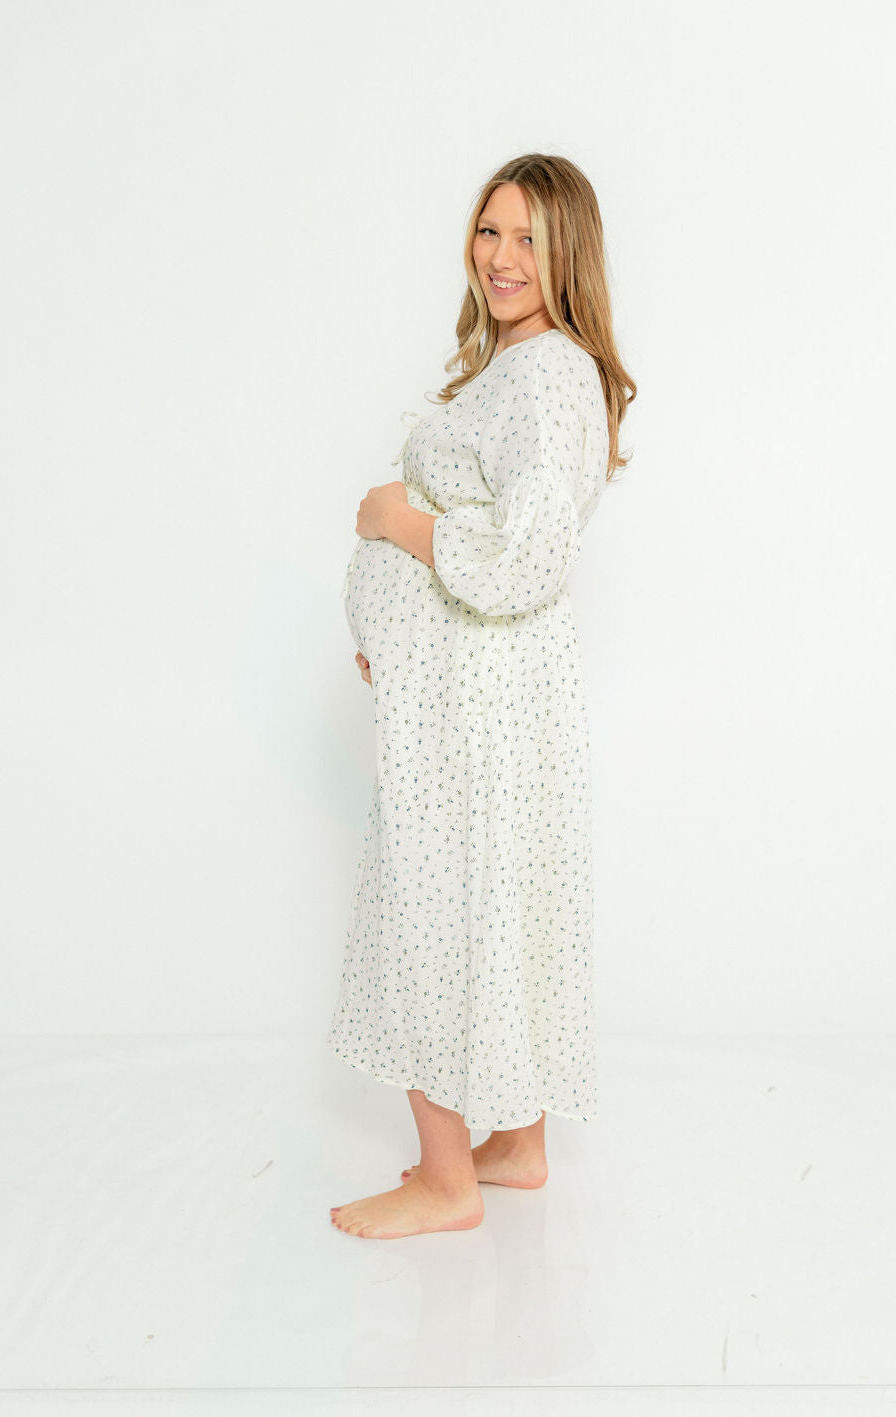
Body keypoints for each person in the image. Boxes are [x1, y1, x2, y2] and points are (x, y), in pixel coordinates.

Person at [328, 153, 635, 1239]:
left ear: (568, 255)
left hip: (474, 709)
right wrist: (397, 634)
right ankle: (518, 1145)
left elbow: (523, 557)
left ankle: (445, 1178)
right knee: (493, 899)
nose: (501, 258)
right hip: (463, 687)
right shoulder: (522, 363)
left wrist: (395, 524)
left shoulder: (547, 373)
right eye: (489, 230)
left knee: (437, 903)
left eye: (528, 239)